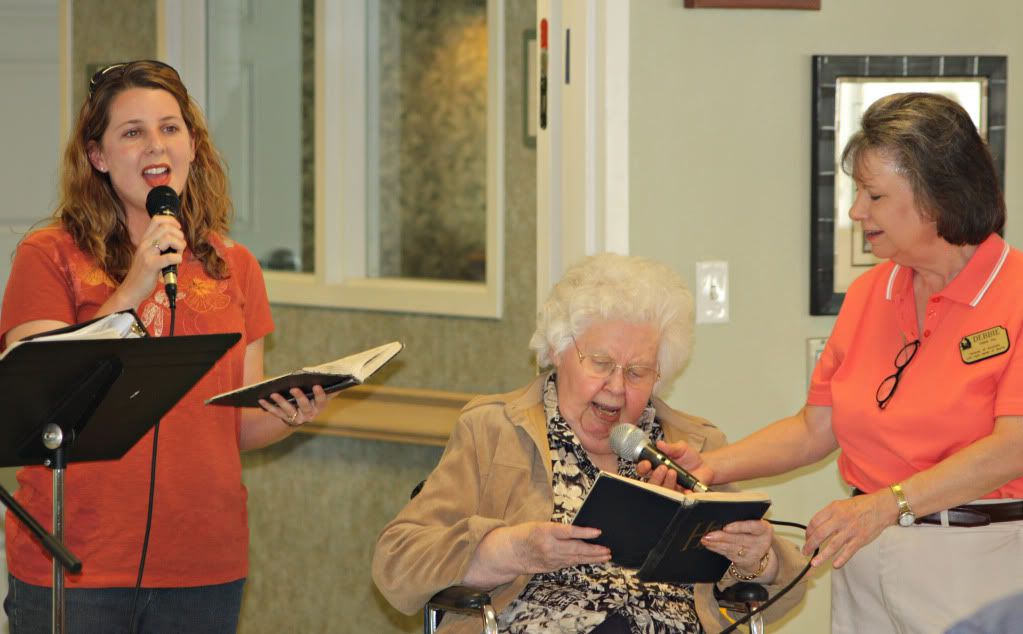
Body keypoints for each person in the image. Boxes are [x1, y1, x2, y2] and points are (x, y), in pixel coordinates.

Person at [0, 60, 329, 633]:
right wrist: (134, 288)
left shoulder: (235, 265)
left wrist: (291, 412)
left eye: (170, 128)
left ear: (193, 146)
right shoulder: (49, 255)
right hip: (79, 561)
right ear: (98, 156)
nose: (156, 145)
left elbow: (234, 425)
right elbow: (38, 401)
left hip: (203, 561)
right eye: (133, 132)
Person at [681, 93, 1023, 634]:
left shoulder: (1015, 293)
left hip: (976, 564)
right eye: (856, 192)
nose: (856, 211)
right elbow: (815, 428)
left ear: (939, 195)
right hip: (864, 559)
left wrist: (888, 505)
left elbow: (1013, 446)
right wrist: (708, 468)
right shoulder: (869, 293)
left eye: (874, 195)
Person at [372, 253, 808, 633]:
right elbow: (398, 562)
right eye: (600, 363)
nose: (616, 387)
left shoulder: (690, 445)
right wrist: (514, 549)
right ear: (557, 351)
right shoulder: (494, 430)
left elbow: (785, 588)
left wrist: (755, 559)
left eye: (637, 372)